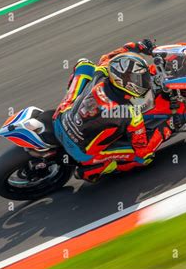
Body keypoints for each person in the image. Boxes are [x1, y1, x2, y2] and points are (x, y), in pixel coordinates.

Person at [52, 39, 177, 182]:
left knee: (84, 64)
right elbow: (142, 148)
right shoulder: (130, 113)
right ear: (125, 83)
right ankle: (95, 169)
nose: (145, 80)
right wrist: (168, 126)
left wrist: (135, 46)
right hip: (81, 151)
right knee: (145, 157)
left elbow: (110, 57)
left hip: (60, 119)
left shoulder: (103, 72)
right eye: (139, 79)